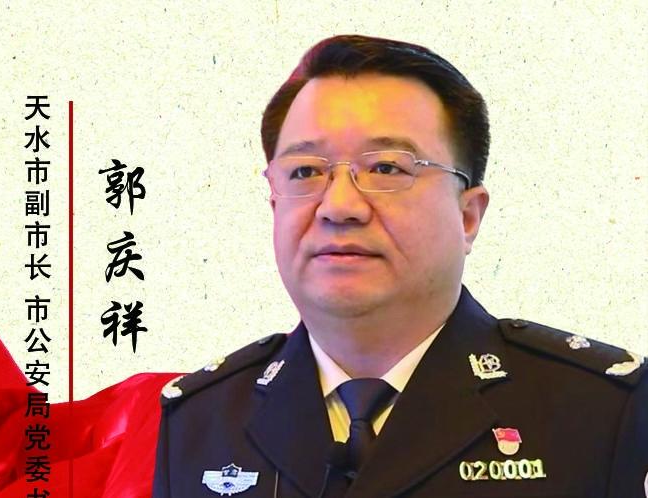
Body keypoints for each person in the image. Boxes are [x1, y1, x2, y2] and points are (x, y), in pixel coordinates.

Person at [152, 35, 647, 498]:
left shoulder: (604, 410)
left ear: (468, 216)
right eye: (305, 172)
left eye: (386, 168)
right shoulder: (199, 420)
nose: (338, 206)